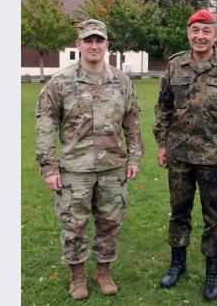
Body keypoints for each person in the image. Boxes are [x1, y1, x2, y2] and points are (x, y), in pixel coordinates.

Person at [35, 19, 144, 301]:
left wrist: (134, 157)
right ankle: (78, 275)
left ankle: (104, 271)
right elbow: (46, 123)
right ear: (78, 44)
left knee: (110, 222)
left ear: (107, 45)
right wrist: (48, 165)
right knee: (74, 224)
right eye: (88, 40)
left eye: (99, 40)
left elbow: (132, 121)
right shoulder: (60, 83)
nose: (94, 45)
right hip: (75, 169)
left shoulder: (121, 81)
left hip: (113, 167)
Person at [153, 9, 217, 301]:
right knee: (179, 212)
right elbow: (163, 108)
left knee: (214, 217)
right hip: (179, 155)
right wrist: (161, 144)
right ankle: (177, 262)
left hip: (214, 157)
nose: (200, 36)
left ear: (215, 35)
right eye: (195, 30)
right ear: (188, 33)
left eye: (206, 31)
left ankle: (213, 269)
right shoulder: (175, 65)